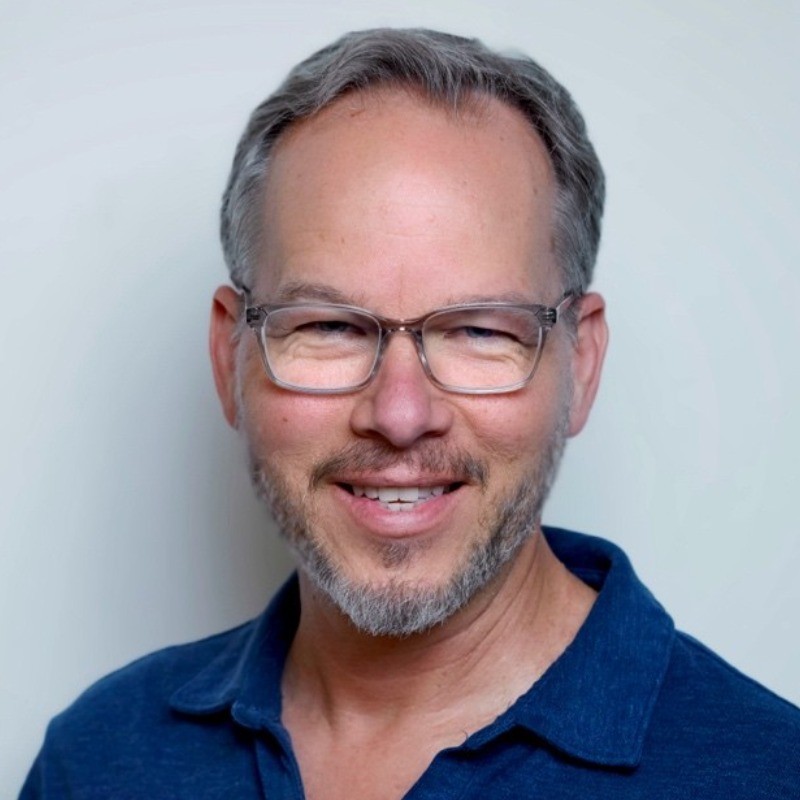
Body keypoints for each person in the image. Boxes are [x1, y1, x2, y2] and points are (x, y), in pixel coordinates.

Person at [20, 27, 799, 800]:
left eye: (480, 332)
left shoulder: (770, 776)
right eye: (330, 326)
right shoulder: (97, 761)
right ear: (231, 357)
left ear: (582, 364)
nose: (399, 415)